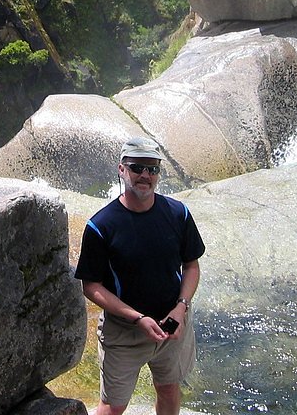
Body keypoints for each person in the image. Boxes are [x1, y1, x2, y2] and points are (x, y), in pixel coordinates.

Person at [74, 136, 205, 415]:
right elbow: (91, 286)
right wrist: (138, 318)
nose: (145, 175)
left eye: (152, 169)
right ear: (122, 170)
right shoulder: (101, 225)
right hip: (125, 332)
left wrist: (181, 309)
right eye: (137, 168)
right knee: (112, 407)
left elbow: (191, 266)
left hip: (173, 325)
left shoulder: (178, 213)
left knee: (169, 388)